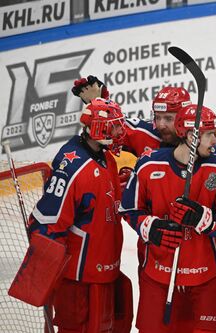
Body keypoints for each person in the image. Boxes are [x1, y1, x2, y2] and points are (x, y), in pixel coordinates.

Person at [119, 104, 216, 333]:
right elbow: (129, 209)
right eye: (209, 135)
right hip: (158, 274)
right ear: (191, 136)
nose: (215, 141)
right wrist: (150, 226)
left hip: (208, 275)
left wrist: (206, 221)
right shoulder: (148, 164)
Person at [25, 98, 132, 332]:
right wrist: (45, 271)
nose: (118, 132)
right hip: (79, 281)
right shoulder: (72, 166)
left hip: (104, 270)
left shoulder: (104, 157)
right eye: (112, 127)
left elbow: (103, 199)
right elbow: (47, 220)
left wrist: (124, 187)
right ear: (97, 130)